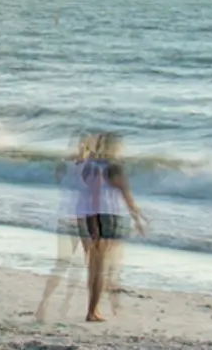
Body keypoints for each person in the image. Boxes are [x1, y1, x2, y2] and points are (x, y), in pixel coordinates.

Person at [76, 131, 145, 322]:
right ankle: (93, 310)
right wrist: (137, 218)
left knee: (93, 266)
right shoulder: (114, 168)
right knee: (101, 267)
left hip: (89, 215)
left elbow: (84, 194)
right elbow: (126, 194)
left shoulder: (88, 166)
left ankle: (93, 307)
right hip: (106, 216)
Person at [37, 135, 91, 322]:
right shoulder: (88, 168)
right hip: (81, 219)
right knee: (81, 263)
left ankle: (48, 304)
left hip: (67, 216)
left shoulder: (64, 166)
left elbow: (61, 181)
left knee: (66, 263)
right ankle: (62, 304)